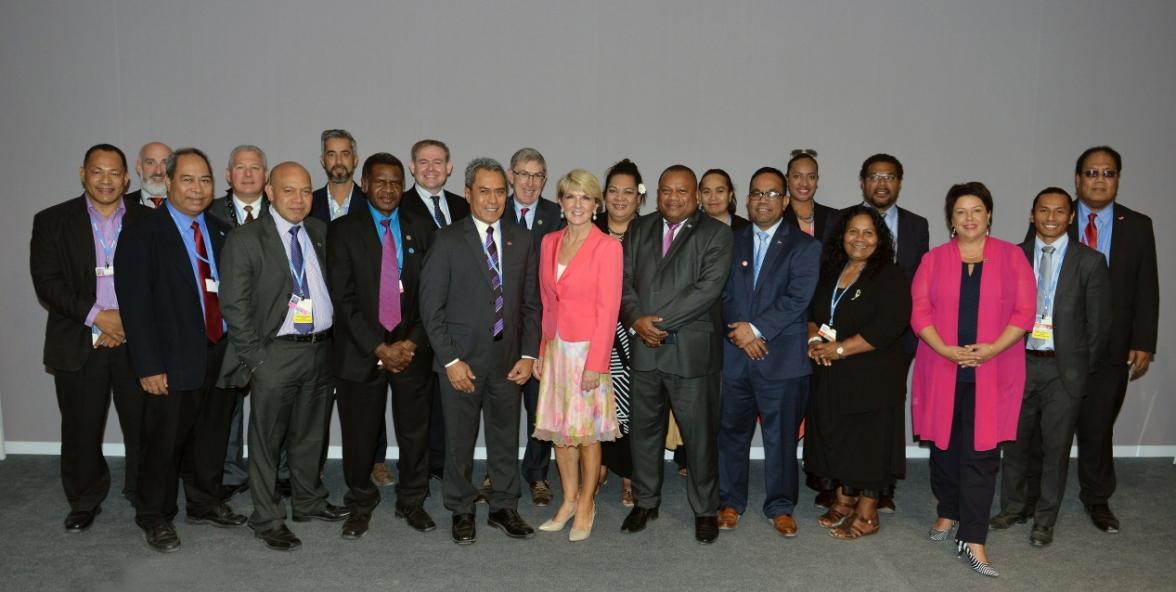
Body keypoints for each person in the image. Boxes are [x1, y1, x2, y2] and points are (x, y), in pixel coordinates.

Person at [115, 147, 246, 553]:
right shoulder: (142, 232)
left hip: (218, 353)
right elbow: (134, 305)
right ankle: (155, 516)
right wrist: (148, 365)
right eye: (187, 179)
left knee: (210, 437)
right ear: (168, 182)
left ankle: (204, 503)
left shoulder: (221, 230)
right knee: (163, 443)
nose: (197, 188)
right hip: (169, 361)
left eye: (205, 180)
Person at [217, 161, 350, 551]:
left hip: (320, 350)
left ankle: (308, 502)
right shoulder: (246, 239)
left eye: (306, 191)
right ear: (270, 193)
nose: (298, 199)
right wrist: (256, 359)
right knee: (267, 441)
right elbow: (235, 305)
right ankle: (267, 517)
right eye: (288, 190)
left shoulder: (319, 232)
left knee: (310, 436)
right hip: (274, 354)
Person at [912, 182, 1035, 577]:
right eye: (961, 211)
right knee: (944, 451)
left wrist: (993, 348)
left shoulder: (1012, 256)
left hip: (993, 370)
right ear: (951, 218)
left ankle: (974, 536)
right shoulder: (933, 259)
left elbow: (1024, 312)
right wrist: (947, 350)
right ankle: (947, 510)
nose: (969, 217)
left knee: (981, 455)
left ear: (989, 215)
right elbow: (920, 313)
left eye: (976, 210)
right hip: (942, 367)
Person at [419, 157, 541, 545]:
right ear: (468, 193)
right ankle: (462, 509)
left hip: (508, 362)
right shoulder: (448, 240)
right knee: (459, 441)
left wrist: (528, 354)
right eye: (484, 191)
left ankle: (504, 507)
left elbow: (530, 305)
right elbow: (430, 308)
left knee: (506, 438)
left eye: (499, 191)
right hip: (462, 363)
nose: (492, 199)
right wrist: (450, 360)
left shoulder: (521, 239)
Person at [31, 144, 148, 532]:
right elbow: (48, 283)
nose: (106, 180)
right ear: (83, 173)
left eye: (114, 173)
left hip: (136, 340)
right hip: (80, 338)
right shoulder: (52, 221)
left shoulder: (147, 221)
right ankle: (83, 499)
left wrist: (125, 321)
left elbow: (160, 281)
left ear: (126, 178)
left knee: (143, 425)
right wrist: (100, 318)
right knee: (81, 427)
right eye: (97, 171)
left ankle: (143, 494)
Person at [619, 165, 734, 545]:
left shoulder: (716, 233)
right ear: (656, 193)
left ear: (697, 195)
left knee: (699, 437)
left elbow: (708, 290)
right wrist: (637, 320)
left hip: (691, 352)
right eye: (666, 190)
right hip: (645, 350)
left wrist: (658, 323)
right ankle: (646, 501)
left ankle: (705, 510)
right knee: (644, 433)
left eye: (681, 191)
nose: (673, 197)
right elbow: (624, 281)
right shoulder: (639, 228)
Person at [989, 187, 1110, 547]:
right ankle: (1012, 507)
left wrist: (1076, 368)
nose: (1051, 217)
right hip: (1018, 363)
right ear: (1032, 215)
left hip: (1062, 370)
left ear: (1071, 217)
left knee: (1056, 450)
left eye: (1060, 211)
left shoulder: (1090, 261)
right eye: (1044, 210)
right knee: (1014, 443)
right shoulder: (1013, 256)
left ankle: (1045, 519)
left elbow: (1098, 326)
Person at [327, 153, 439, 539]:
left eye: (395, 182)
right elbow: (342, 299)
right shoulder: (343, 230)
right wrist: (379, 347)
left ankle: (412, 500)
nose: (388, 189)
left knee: (414, 432)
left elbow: (432, 294)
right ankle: (360, 502)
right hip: (362, 352)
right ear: (364, 185)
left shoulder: (422, 229)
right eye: (380, 182)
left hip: (412, 351)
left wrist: (410, 342)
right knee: (360, 434)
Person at [717, 167, 819, 537]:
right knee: (731, 433)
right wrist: (741, 334)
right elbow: (721, 293)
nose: (764, 200)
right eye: (757, 193)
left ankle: (780, 506)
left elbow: (797, 300)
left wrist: (755, 329)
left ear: (786, 200)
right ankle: (729, 501)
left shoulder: (805, 246)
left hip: (783, 360)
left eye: (773, 194)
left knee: (780, 439)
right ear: (746, 200)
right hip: (735, 356)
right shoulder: (731, 241)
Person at [804, 205, 910, 540]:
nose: (860, 239)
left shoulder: (890, 275)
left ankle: (867, 514)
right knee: (840, 439)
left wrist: (837, 349)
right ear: (841, 236)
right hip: (833, 375)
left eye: (868, 232)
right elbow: (813, 311)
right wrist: (813, 339)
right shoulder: (831, 270)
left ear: (880, 239)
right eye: (853, 231)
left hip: (873, 376)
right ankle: (844, 499)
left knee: (869, 445)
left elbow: (888, 326)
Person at [1066, 146, 1157, 533]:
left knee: (1099, 425)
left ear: (1118, 179)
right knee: (1046, 425)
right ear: (1077, 179)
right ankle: (1032, 497)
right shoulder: (1055, 215)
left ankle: (1097, 498)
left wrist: (1144, 341)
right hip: (1059, 344)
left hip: (1113, 343)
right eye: (1091, 172)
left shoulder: (1137, 225)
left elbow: (1146, 287)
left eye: (1107, 173)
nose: (1099, 180)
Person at [531, 169, 622, 542]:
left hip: (588, 352)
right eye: (570, 197)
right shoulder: (549, 242)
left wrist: (597, 364)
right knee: (561, 433)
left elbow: (609, 309)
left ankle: (586, 503)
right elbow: (546, 303)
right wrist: (541, 350)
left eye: (585, 197)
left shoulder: (607, 247)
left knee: (586, 435)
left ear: (596, 204)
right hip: (556, 350)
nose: (577, 204)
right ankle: (567, 500)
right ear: (562, 203)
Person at [401, 138, 470, 482]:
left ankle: (444, 467)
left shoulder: (463, 207)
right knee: (417, 406)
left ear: (450, 167)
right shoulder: (397, 206)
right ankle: (417, 473)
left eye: (438, 162)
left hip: (456, 323)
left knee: (449, 405)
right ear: (411, 167)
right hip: (412, 323)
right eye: (423, 162)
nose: (431, 168)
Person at [206, 144, 270, 503]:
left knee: (272, 407)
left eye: (255, 168)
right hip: (225, 328)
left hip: (274, 329)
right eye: (240, 168)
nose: (247, 174)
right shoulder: (209, 213)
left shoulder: (283, 212)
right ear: (228, 175)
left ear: (266, 175)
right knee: (226, 407)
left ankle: (274, 472)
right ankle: (228, 471)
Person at [502, 147, 565, 507]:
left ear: (545, 179)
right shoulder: (494, 209)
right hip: (500, 327)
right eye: (523, 174)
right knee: (501, 407)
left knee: (539, 409)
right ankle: (499, 470)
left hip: (541, 329)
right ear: (511, 176)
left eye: (537, 175)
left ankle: (538, 475)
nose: (530, 182)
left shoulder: (556, 217)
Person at [595, 159, 646, 507]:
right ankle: (599, 465)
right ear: (603, 195)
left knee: (634, 403)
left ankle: (630, 473)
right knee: (598, 403)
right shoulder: (588, 228)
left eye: (628, 191)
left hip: (635, 330)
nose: (620, 197)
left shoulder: (651, 231)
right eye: (613, 190)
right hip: (593, 329)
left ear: (639, 198)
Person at [309, 129, 365, 223]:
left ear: (355, 160)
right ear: (323, 161)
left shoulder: (370, 203)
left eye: (345, 154)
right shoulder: (309, 203)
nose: (338, 161)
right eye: (331, 155)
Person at [782, 149, 837, 241]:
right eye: (797, 176)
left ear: (817, 180)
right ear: (787, 179)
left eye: (811, 177)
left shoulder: (833, 217)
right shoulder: (777, 216)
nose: (804, 183)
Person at [127, 142, 172, 209]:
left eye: (165, 163)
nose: (158, 171)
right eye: (150, 163)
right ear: (139, 167)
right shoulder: (122, 204)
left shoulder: (187, 204)